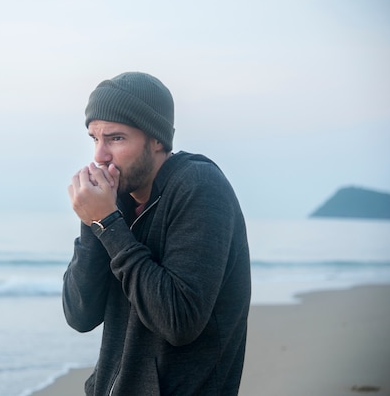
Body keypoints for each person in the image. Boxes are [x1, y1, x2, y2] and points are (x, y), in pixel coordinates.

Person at [64, 72, 251, 395]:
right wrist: (93, 221)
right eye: (95, 138)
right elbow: (80, 314)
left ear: (157, 140)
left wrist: (107, 222)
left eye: (116, 138)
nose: (100, 155)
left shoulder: (199, 187)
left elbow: (179, 321)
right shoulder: (117, 201)